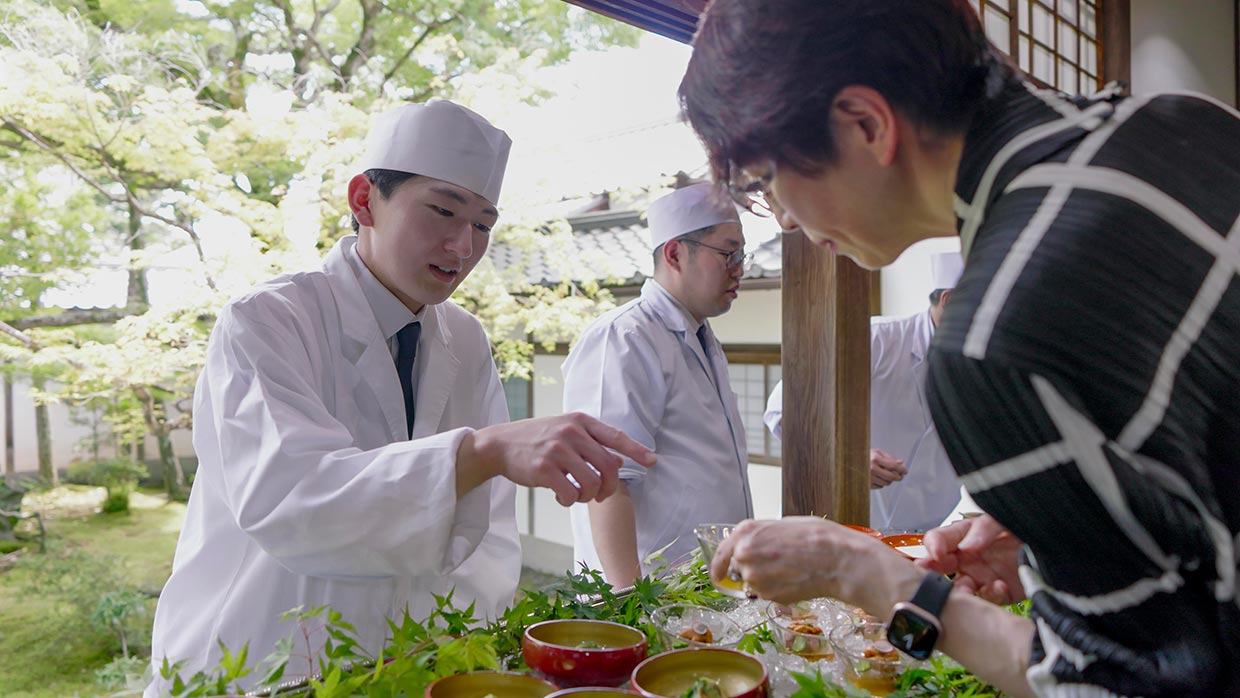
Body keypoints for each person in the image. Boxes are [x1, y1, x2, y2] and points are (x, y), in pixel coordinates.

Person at [680, 0, 1240, 695]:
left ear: (864, 124)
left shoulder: (995, 338)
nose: (787, 221)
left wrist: (873, 576)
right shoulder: (1184, 121)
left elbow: (1113, 685)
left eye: (766, 183)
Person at [146, 100, 654, 692]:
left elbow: (486, 532)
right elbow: (291, 502)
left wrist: (469, 649)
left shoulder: (463, 335)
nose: (464, 246)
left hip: (409, 658)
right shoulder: (269, 320)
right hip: (257, 650)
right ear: (364, 200)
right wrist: (482, 452)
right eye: (443, 210)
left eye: (484, 224)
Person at [562, 183, 753, 588]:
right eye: (728, 253)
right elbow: (607, 483)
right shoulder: (626, 336)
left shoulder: (701, 337)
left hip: (704, 586)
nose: (740, 267)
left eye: (742, 255)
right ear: (674, 253)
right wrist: (631, 604)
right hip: (653, 593)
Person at [763, 252, 964, 532]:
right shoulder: (874, 338)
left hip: (923, 540)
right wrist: (845, 458)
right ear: (950, 301)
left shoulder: (989, 365)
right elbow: (781, 411)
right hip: (835, 527)